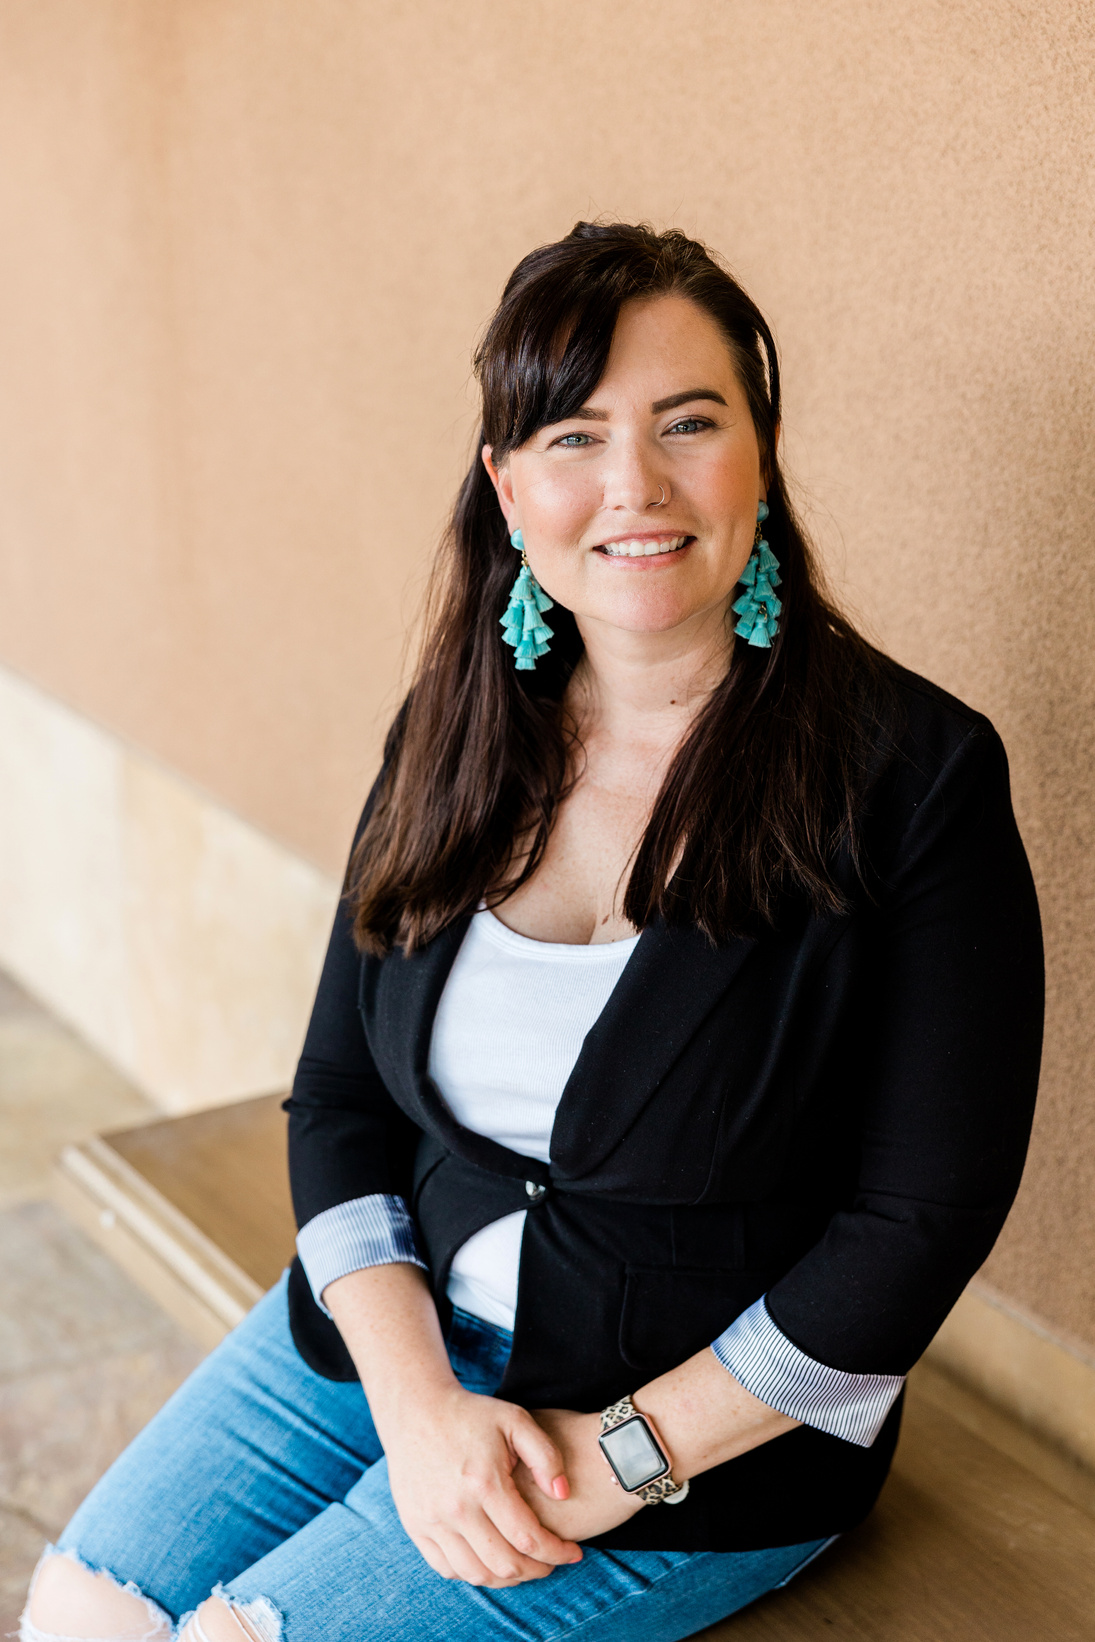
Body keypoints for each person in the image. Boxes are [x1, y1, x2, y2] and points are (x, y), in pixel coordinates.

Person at [22, 222, 1044, 1642]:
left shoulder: (912, 774)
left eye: (690, 422)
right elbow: (338, 1096)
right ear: (510, 487)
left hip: (701, 1436)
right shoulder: (459, 733)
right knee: (79, 1613)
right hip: (390, 1337)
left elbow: (916, 1226)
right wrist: (417, 1405)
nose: (633, 485)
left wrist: (622, 1457)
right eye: (572, 435)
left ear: (762, 450)